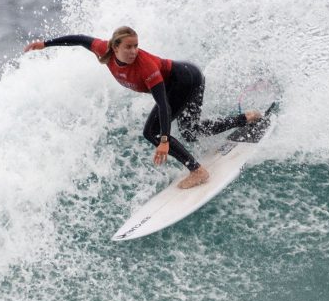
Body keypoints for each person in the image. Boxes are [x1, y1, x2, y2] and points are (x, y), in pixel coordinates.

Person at [23, 26, 261, 189]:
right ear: (114, 47)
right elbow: (79, 40)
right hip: (184, 77)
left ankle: (197, 171)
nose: (134, 51)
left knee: (152, 132)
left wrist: (165, 139)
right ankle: (245, 118)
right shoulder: (102, 48)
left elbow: (164, 105)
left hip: (186, 79)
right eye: (128, 47)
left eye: (136, 46)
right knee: (191, 131)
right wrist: (45, 44)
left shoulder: (146, 67)